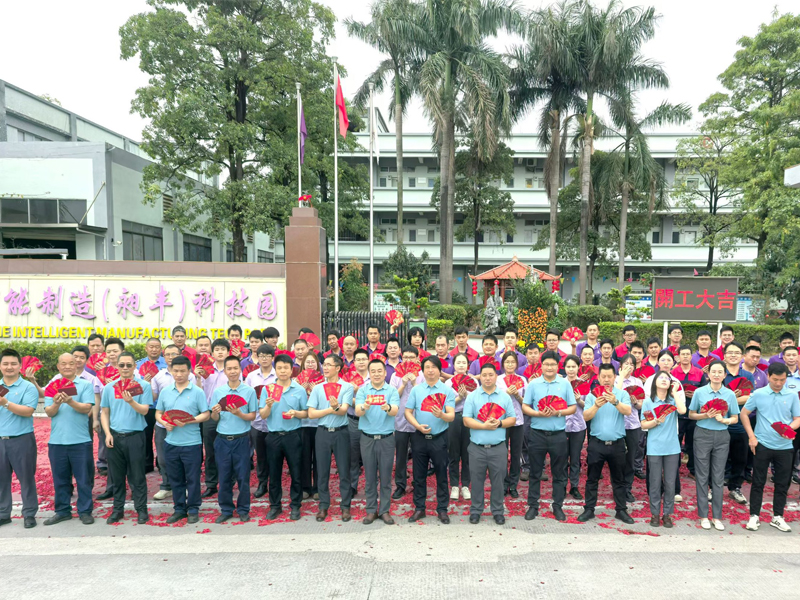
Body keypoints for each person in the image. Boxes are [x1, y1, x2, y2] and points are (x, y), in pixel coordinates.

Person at [742, 362, 800, 532]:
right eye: (775, 379)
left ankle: (778, 517)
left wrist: (789, 429)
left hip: (785, 446)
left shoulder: (792, 395)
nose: (778, 383)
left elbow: (798, 418)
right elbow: (744, 414)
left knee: (782, 483)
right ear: (768, 376)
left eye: (782, 380)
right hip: (762, 444)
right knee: (758, 481)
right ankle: (754, 516)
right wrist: (751, 437)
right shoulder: (758, 394)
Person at [521, 350, 577, 522]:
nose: (550, 367)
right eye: (546, 364)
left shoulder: (565, 384)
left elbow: (572, 407)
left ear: (557, 366)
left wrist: (558, 412)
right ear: (541, 365)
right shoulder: (533, 384)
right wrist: (537, 414)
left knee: (559, 472)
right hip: (537, 434)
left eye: (553, 364)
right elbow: (525, 407)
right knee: (535, 472)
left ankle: (557, 505)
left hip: (558, 435)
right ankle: (533, 506)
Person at [154, 355, 209, 524]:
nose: (179, 374)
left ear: (189, 371)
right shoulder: (165, 392)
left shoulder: (197, 392)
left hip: (192, 443)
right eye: (176, 371)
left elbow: (206, 414)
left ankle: (193, 509)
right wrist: (164, 423)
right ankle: (179, 509)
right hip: (171, 443)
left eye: (182, 371)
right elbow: (158, 413)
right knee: (175, 478)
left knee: (192, 478)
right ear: (171, 371)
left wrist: (189, 421)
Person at [101, 351, 153, 525]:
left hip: (135, 436)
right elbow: (105, 412)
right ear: (117, 366)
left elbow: (145, 410)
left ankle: (141, 509)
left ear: (134, 366)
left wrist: (131, 401)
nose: (125, 368)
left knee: (137, 475)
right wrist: (107, 433)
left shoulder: (143, 385)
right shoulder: (109, 387)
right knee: (116, 476)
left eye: (129, 365)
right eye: (122, 365)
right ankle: (118, 510)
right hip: (115, 436)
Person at [43, 353, 95, 526]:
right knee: (60, 480)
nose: (67, 366)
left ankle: (85, 511)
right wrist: (57, 403)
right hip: (57, 442)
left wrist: (71, 401)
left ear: (76, 365)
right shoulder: (53, 386)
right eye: (63, 364)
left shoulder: (85, 385)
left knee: (83, 479)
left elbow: (87, 408)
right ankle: (62, 511)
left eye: (71, 363)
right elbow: (49, 412)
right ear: (58, 366)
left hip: (80, 441)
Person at [578, 363, 634, 524]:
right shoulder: (592, 395)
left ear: (615, 377)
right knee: (592, 478)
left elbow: (628, 411)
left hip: (617, 444)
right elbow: (586, 416)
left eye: (610, 376)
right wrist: (596, 405)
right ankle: (589, 509)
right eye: (604, 376)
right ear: (598, 377)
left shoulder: (622, 394)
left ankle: (621, 510)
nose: (607, 379)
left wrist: (615, 402)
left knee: (619, 479)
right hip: (597, 444)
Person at [463, 363, 517, 525]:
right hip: (476, 448)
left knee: (498, 481)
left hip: (498, 448)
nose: (487, 378)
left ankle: (498, 511)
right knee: (476, 480)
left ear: (496, 376)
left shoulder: (504, 397)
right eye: (484, 375)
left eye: (491, 375)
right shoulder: (472, 396)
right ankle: (476, 510)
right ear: (480, 377)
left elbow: (512, 419)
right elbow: (466, 420)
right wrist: (484, 426)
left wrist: (500, 423)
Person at [404, 356, 456, 523]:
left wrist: (441, 415)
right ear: (422, 370)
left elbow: (451, 416)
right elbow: (407, 412)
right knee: (419, 475)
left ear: (439, 370)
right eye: (427, 367)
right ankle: (420, 508)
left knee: (441, 474)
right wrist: (417, 426)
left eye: (434, 367)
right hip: (419, 437)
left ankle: (442, 509)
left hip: (439, 438)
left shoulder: (447, 390)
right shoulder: (416, 390)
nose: (431, 370)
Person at [688, 360, 739, 531]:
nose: (716, 375)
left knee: (718, 477)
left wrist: (725, 420)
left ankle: (717, 516)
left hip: (722, 436)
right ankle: (703, 515)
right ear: (708, 374)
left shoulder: (729, 394)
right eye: (713, 372)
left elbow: (735, 418)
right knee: (702, 476)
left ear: (725, 375)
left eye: (720, 372)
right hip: (702, 435)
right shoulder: (699, 392)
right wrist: (705, 415)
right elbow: (691, 414)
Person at [260, 354, 309, 521]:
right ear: (275, 370)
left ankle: (295, 505)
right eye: (279, 368)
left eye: (286, 368)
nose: (282, 371)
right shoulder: (268, 390)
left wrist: (296, 413)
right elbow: (263, 415)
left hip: (293, 435)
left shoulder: (299, 390)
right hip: (273, 436)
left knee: (296, 472)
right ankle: (275, 506)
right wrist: (268, 405)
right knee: (274, 473)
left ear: (291, 370)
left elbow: (306, 413)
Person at [307, 353, 354, 522]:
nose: (325, 368)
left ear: (338, 368)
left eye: (328, 365)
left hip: (341, 432)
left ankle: (345, 506)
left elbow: (343, 411)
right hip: (322, 433)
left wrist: (337, 408)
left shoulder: (346, 387)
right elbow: (311, 414)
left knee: (344, 471)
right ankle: (323, 505)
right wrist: (331, 409)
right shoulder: (318, 388)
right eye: (324, 365)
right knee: (322, 471)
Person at [210, 356, 257, 523]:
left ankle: (243, 509)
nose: (232, 372)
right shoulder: (218, 392)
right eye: (229, 369)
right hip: (222, 440)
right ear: (224, 371)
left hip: (242, 440)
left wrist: (239, 414)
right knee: (224, 477)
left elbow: (252, 416)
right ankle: (226, 509)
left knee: (243, 477)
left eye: (235, 368)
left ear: (240, 369)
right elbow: (214, 418)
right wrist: (215, 412)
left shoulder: (249, 391)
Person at [355, 358, 400, 524]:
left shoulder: (392, 391)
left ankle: (384, 510)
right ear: (369, 373)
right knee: (370, 477)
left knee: (386, 477)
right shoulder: (363, 390)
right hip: (367, 438)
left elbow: (395, 411)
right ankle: (371, 510)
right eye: (372, 371)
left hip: (386, 439)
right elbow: (358, 412)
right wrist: (365, 406)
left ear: (385, 372)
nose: (376, 374)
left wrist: (388, 407)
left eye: (379, 371)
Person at [151, 344, 198, 501]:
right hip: (163, 425)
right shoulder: (158, 376)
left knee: (184, 458)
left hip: (185, 426)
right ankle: (166, 486)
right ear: (164, 357)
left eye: (174, 354)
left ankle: (183, 486)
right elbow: (154, 400)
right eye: (168, 354)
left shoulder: (190, 377)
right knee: (163, 458)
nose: (171, 357)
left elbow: (196, 400)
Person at [641, 371, 686, 528]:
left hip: (672, 447)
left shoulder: (673, 401)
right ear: (654, 382)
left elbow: (683, 411)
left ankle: (667, 514)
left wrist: (675, 392)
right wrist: (656, 421)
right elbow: (643, 424)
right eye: (661, 377)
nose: (664, 380)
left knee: (670, 482)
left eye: (667, 378)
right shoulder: (648, 402)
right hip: (654, 447)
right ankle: (655, 513)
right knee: (654, 482)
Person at [0, 348, 39, 529]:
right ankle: (3, 513)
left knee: (26, 478)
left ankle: (29, 513)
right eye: (5, 363)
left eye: (13, 364)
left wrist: (6, 403)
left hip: (21, 439)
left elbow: (28, 411)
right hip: (1, 440)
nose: (9, 367)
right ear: (0, 366)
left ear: (20, 366)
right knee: (1, 479)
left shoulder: (28, 387)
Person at [197, 338, 234, 498]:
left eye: (223, 349)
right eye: (217, 349)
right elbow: (198, 392)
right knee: (210, 450)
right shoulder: (205, 370)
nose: (220, 352)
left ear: (228, 352)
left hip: (229, 413)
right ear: (212, 352)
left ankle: (228, 482)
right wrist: (197, 377)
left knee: (228, 449)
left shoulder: (232, 370)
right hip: (210, 413)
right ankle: (211, 484)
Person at [721, 341, 754, 505]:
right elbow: (716, 398)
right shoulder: (719, 373)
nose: (733, 355)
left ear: (742, 356)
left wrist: (729, 398)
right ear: (724, 355)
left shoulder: (747, 376)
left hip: (741, 424)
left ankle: (735, 488)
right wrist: (734, 397)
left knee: (740, 459)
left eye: (736, 352)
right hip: (721, 423)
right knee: (719, 458)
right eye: (730, 352)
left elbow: (750, 397)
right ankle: (714, 487)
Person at [390, 346, 423, 500]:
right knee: (401, 455)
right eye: (406, 357)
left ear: (417, 359)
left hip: (418, 421)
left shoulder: (422, 375)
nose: (409, 360)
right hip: (400, 420)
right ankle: (400, 485)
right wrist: (403, 384)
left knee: (419, 454)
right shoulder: (395, 376)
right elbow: (392, 397)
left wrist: (415, 383)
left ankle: (418, 483)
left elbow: (424, 397)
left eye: (412, 357)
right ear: (402, 358)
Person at [672, 345, 709, 479]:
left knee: (693, 444)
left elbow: (705, 393)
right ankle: (673, 469)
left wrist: (695, 395)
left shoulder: (699, 373)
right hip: (677, 415)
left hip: (694, 415)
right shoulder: (673, 373)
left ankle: (693, 470)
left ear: (691, 356)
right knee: (675, 442)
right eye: (683, 354)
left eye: (688, 354)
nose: (685, 356)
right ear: (678, 357)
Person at [244, 344, 276, 499]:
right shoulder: (251, 376)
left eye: (267, 356)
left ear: (272, 357)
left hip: (274, 422)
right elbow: (245, 396)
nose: (264, 359)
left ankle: (274, 484)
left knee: (274, 456)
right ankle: (262, 483)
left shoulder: (278, 376)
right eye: (261, 355)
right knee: (261, 456)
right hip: (257, 422)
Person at [615, 354, 644, 503]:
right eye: (626, 363)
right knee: (617, 458)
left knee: (631, 458)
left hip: (632, 424)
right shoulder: (615, 380)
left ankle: (627, 488)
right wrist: (621, 377)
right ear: (620, 366)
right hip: (617, 424)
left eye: (631, 364)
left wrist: (635, 402)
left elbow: (640, 405)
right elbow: (615, 397)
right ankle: (617, 488)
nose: (629, 366)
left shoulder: (637, 382)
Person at [497, 351, 527, 499]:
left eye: (512, 362)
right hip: (502, 421)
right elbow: (494, 402)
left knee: (516, 454)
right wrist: (506, 394)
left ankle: (513, 485)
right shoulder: (498, 380)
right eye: (507, 362)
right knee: (502, 453)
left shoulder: (522, 380)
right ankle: (503, 484)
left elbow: (526, 403)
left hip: (518, 420)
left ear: (517, 364)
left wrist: (517, 395)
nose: (510, 364)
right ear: (503, 364)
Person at [445, 353, 474, 501]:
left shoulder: (474, 381)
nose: (461, 365)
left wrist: (467, 396)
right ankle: (455, 485)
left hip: (469, 418)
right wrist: (460, 397)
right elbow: (446, 404)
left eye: (464, 362)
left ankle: (466, 485)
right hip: (454, 418)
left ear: (467, 365)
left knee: (467, 453)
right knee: (453, 453)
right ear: (454, 365)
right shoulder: (448, 383)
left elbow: (477, 403)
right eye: (458, 362)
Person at [137, 337, 165, 475]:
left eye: (157, 347)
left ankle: (162, 463)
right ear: (146, 348)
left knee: (163, 436)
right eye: (151, 347)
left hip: (162, 406)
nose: (154, 349)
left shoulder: (166, 364)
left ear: (161, 349)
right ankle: (147, 463)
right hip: (146, 406)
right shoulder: (138, 365)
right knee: (146, 436)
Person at [563, 355, 587, 500]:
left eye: (573, 366)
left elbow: (588, 406)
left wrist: (578, 400)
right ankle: (561, 486)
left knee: (575, 457)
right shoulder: (560, 383)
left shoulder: (583, 384)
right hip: (562, 425)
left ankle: (574, 486)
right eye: (568, 367)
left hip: (579, 426)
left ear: (578, 367)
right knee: (562, 457)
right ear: (564, 368)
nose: (571, 370)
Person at [298, 352, 322, 500]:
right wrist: (302, 390)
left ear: (317, 364)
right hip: (302, 424)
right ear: (303, 364)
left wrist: (315, 391)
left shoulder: (323, 381)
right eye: (308, 362)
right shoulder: (296, 382)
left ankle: (318, 488)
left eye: (313, 362)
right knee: (304, 457)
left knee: (319, 457)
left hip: (319, 424)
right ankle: (305, 487)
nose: (310, 364)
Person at [347, 348, 370, 498]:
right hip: (353, 420)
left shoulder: (374, 377)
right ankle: (352, 486)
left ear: (368, 361)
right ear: (353, 362)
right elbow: (344, 400)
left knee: (370, 457)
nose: (361, 362)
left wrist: (357, 399)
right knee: (353, 456)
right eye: (358, 360)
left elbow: (376, 399)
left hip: (370, 420)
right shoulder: (348, 379)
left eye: (364, 359)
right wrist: (359, 399)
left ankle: (371, 487)